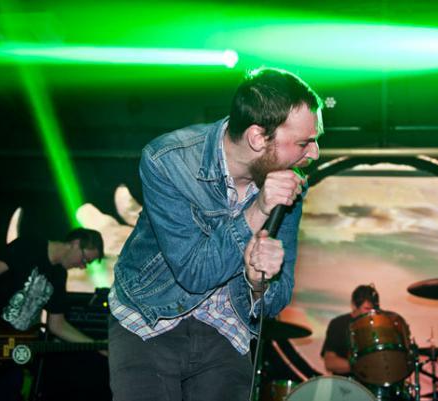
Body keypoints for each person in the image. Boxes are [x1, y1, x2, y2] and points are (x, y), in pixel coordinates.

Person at [108, 67, 324, 401]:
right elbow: (194, 273)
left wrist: (257, 281)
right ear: (257, 137)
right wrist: (258, 210)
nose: (314, 153)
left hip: (225, 326)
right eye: (304, 142)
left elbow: (276, 300)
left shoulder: (291, 183)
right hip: (151, 317)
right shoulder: (169, 160)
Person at [0, 227, 105, 401]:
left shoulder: (59, 275)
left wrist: (96, 346)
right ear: (75, 243)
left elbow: (57, 325)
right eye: (84, 260)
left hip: (11, 356)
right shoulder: (30, 246)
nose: (82, 267)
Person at [321, 284, 379, 375]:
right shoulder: (338, 324)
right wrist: (360, 366)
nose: (371, 313)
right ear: (354, 305)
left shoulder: (379, 325)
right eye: (367, 308)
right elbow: (330, 362)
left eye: (374, 309)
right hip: (344, 382)